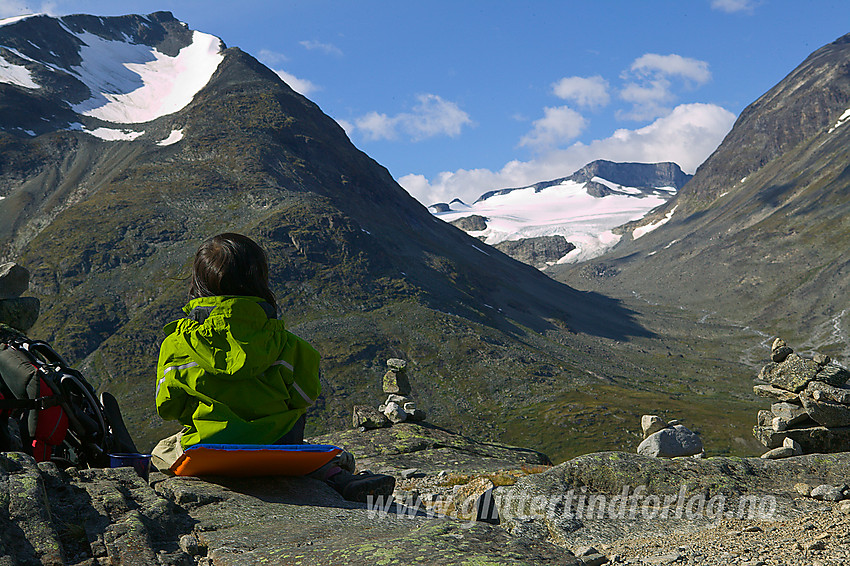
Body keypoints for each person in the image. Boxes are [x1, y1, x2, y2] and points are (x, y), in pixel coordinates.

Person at [152, 233, 395, 502]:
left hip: (206, 452)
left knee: (161, 451)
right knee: (307, 453)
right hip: (278, 448)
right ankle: (339, 476)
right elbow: (306, 397)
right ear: (259, 280)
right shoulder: (291, 346)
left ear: (198, 283)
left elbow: (167, 408)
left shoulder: (176, 345)